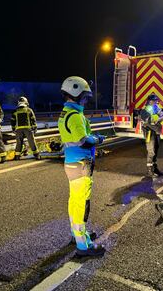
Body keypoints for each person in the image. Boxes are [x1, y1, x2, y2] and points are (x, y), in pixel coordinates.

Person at [58, 76, 105, 257]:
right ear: (76, 93)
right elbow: (84, 141)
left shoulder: (66, 113)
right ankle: (83, 244)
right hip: (81, 164)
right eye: (85, 97)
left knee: (74, 201)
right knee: (81, 204)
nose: (86, 100)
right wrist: (98, 139)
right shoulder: (76, 116)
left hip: (72, 163)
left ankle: (76, 234)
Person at [140, 94, 163, 177]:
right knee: (151, 151)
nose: (157, 102)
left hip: (156, 132)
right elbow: (150, 120)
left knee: (155, 150)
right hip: (149, 132)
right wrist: (159, 118)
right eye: (155, 101)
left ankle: (155, 168)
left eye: (157, 101)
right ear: (150, 101)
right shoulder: (145, 110)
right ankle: (150, 171)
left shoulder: (155, 107)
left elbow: (160, 115)